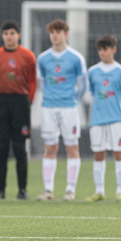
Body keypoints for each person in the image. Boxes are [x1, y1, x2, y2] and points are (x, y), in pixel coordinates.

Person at [36, 19, 87, 201]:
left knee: (72, 147)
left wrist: (73, 100)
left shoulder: (76, 58)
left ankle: (70, 190)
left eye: (58, 32)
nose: (54, 36)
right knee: (50, 147)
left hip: (69, 108)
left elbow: (82, 84)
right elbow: (41, 82)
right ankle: (48, 190)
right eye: (52, 32)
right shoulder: (43, 58)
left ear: (66, 34)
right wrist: (51, 96)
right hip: (49, 107)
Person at [0, 20, 36, 200]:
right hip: (1, 102)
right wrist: (0, 95)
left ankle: (22, 190)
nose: (9, 37)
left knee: (19, 148)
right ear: (2, 36)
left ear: (19, 35)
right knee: (1, 148)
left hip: (20, 102)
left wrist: (28, 100)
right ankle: (0, 190)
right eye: (6, 33)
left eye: (12, 33)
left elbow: (32, 80)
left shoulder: (28, 55)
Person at [85, 35, 121, 203]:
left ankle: (120, 191)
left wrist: (117, 111)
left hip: (116, 119)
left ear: (114, 50)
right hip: (97, 120)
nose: (102, 53)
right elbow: (90, 95)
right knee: (98, 154)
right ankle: (99, 191)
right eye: (99, 49)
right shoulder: (92, 72)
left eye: (105, 49)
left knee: (119, 152)